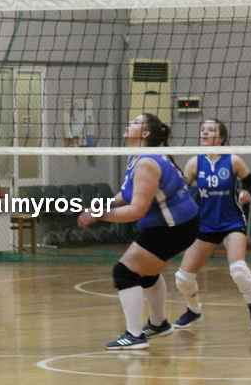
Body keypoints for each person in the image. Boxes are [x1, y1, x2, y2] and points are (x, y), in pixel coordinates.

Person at [78, 113, 199, 350]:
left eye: (135, 122)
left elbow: (136, 211)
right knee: (147, 272)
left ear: (145, 133)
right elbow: (128, 194)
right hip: (177, 224)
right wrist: (102, 206)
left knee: (124, 272)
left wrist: (98, 215)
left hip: (174, 227)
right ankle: (159, 324)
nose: (128, 123)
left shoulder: (147, 163)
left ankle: (134, 336)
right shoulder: (137, 155)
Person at [173, 119, 251, 331]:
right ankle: (193, 310)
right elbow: (181, 191)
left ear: (221, 137)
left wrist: (248, 193)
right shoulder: (194, 163)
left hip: (231, 222)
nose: (205, 132)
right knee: (182, 278)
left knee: (238, 269)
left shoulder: (233, 160)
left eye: (211, 130)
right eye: (203, 129)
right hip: (205, 224)